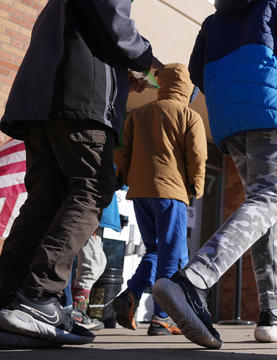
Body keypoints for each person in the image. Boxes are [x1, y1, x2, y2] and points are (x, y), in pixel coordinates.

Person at [152, 0, 277, 349]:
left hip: (230, 120)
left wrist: (232, 96)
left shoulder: (214, 20)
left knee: (262, 208)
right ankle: (193, 281)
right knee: (267, 199)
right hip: (270, 108)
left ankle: (273, 312)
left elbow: (196, 70)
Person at [0, 0, 157, 345]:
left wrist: (122, 66)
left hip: (44, 100)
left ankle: (9, 301)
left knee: (45, 200)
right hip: (80, 97)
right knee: (92, 189)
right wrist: (145, 60)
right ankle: (39, 296)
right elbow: (114, 23)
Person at [113, 63, 207, 336]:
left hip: (140, 192)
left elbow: (123, 150)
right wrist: (196, 187)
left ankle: (131, 295)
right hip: (170, 192)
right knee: (171, 252)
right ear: (187, 88)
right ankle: (162, 317)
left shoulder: (139, 114)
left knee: (154, 249)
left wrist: (122, 176)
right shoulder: (190, 117)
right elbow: (197, 157)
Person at [69, 192, 122, 331]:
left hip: (94, 208)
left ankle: (76, 310)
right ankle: (76, 312)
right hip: (91, 207)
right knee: (93, 263)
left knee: (92, 262)